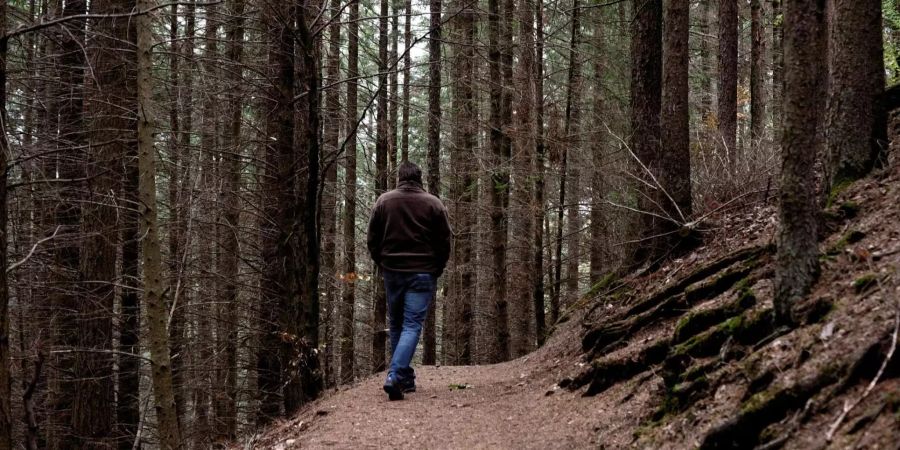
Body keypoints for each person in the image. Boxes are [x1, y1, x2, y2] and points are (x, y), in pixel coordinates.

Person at [367, 161, 451, 401]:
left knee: (397, 325)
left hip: (393, 271)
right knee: (412, 325)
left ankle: (403, 378)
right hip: (422, 272)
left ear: (400, 179)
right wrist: (437, 267)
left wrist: (382, 262)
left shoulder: (384, 201)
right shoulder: (434, 204)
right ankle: (396, 376)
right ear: (419, 179)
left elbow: (372, 239)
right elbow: (445, 241)